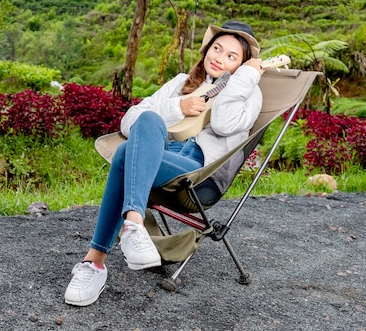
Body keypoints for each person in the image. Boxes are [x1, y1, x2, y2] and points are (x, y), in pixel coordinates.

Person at [64, 20, 264, 306]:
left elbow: (222, 124)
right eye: (217, 48)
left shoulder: (248, 93)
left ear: (244, 65)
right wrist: (177, 107)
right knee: (148, 119)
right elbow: (128, 121)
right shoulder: (183, 82)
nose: (220, 58)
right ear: (206, 49)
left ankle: (95, 261)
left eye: (232, 56)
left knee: (123, 155)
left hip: (199, 174)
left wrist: (244, 78)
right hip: (161, 156)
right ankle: (134, 225)